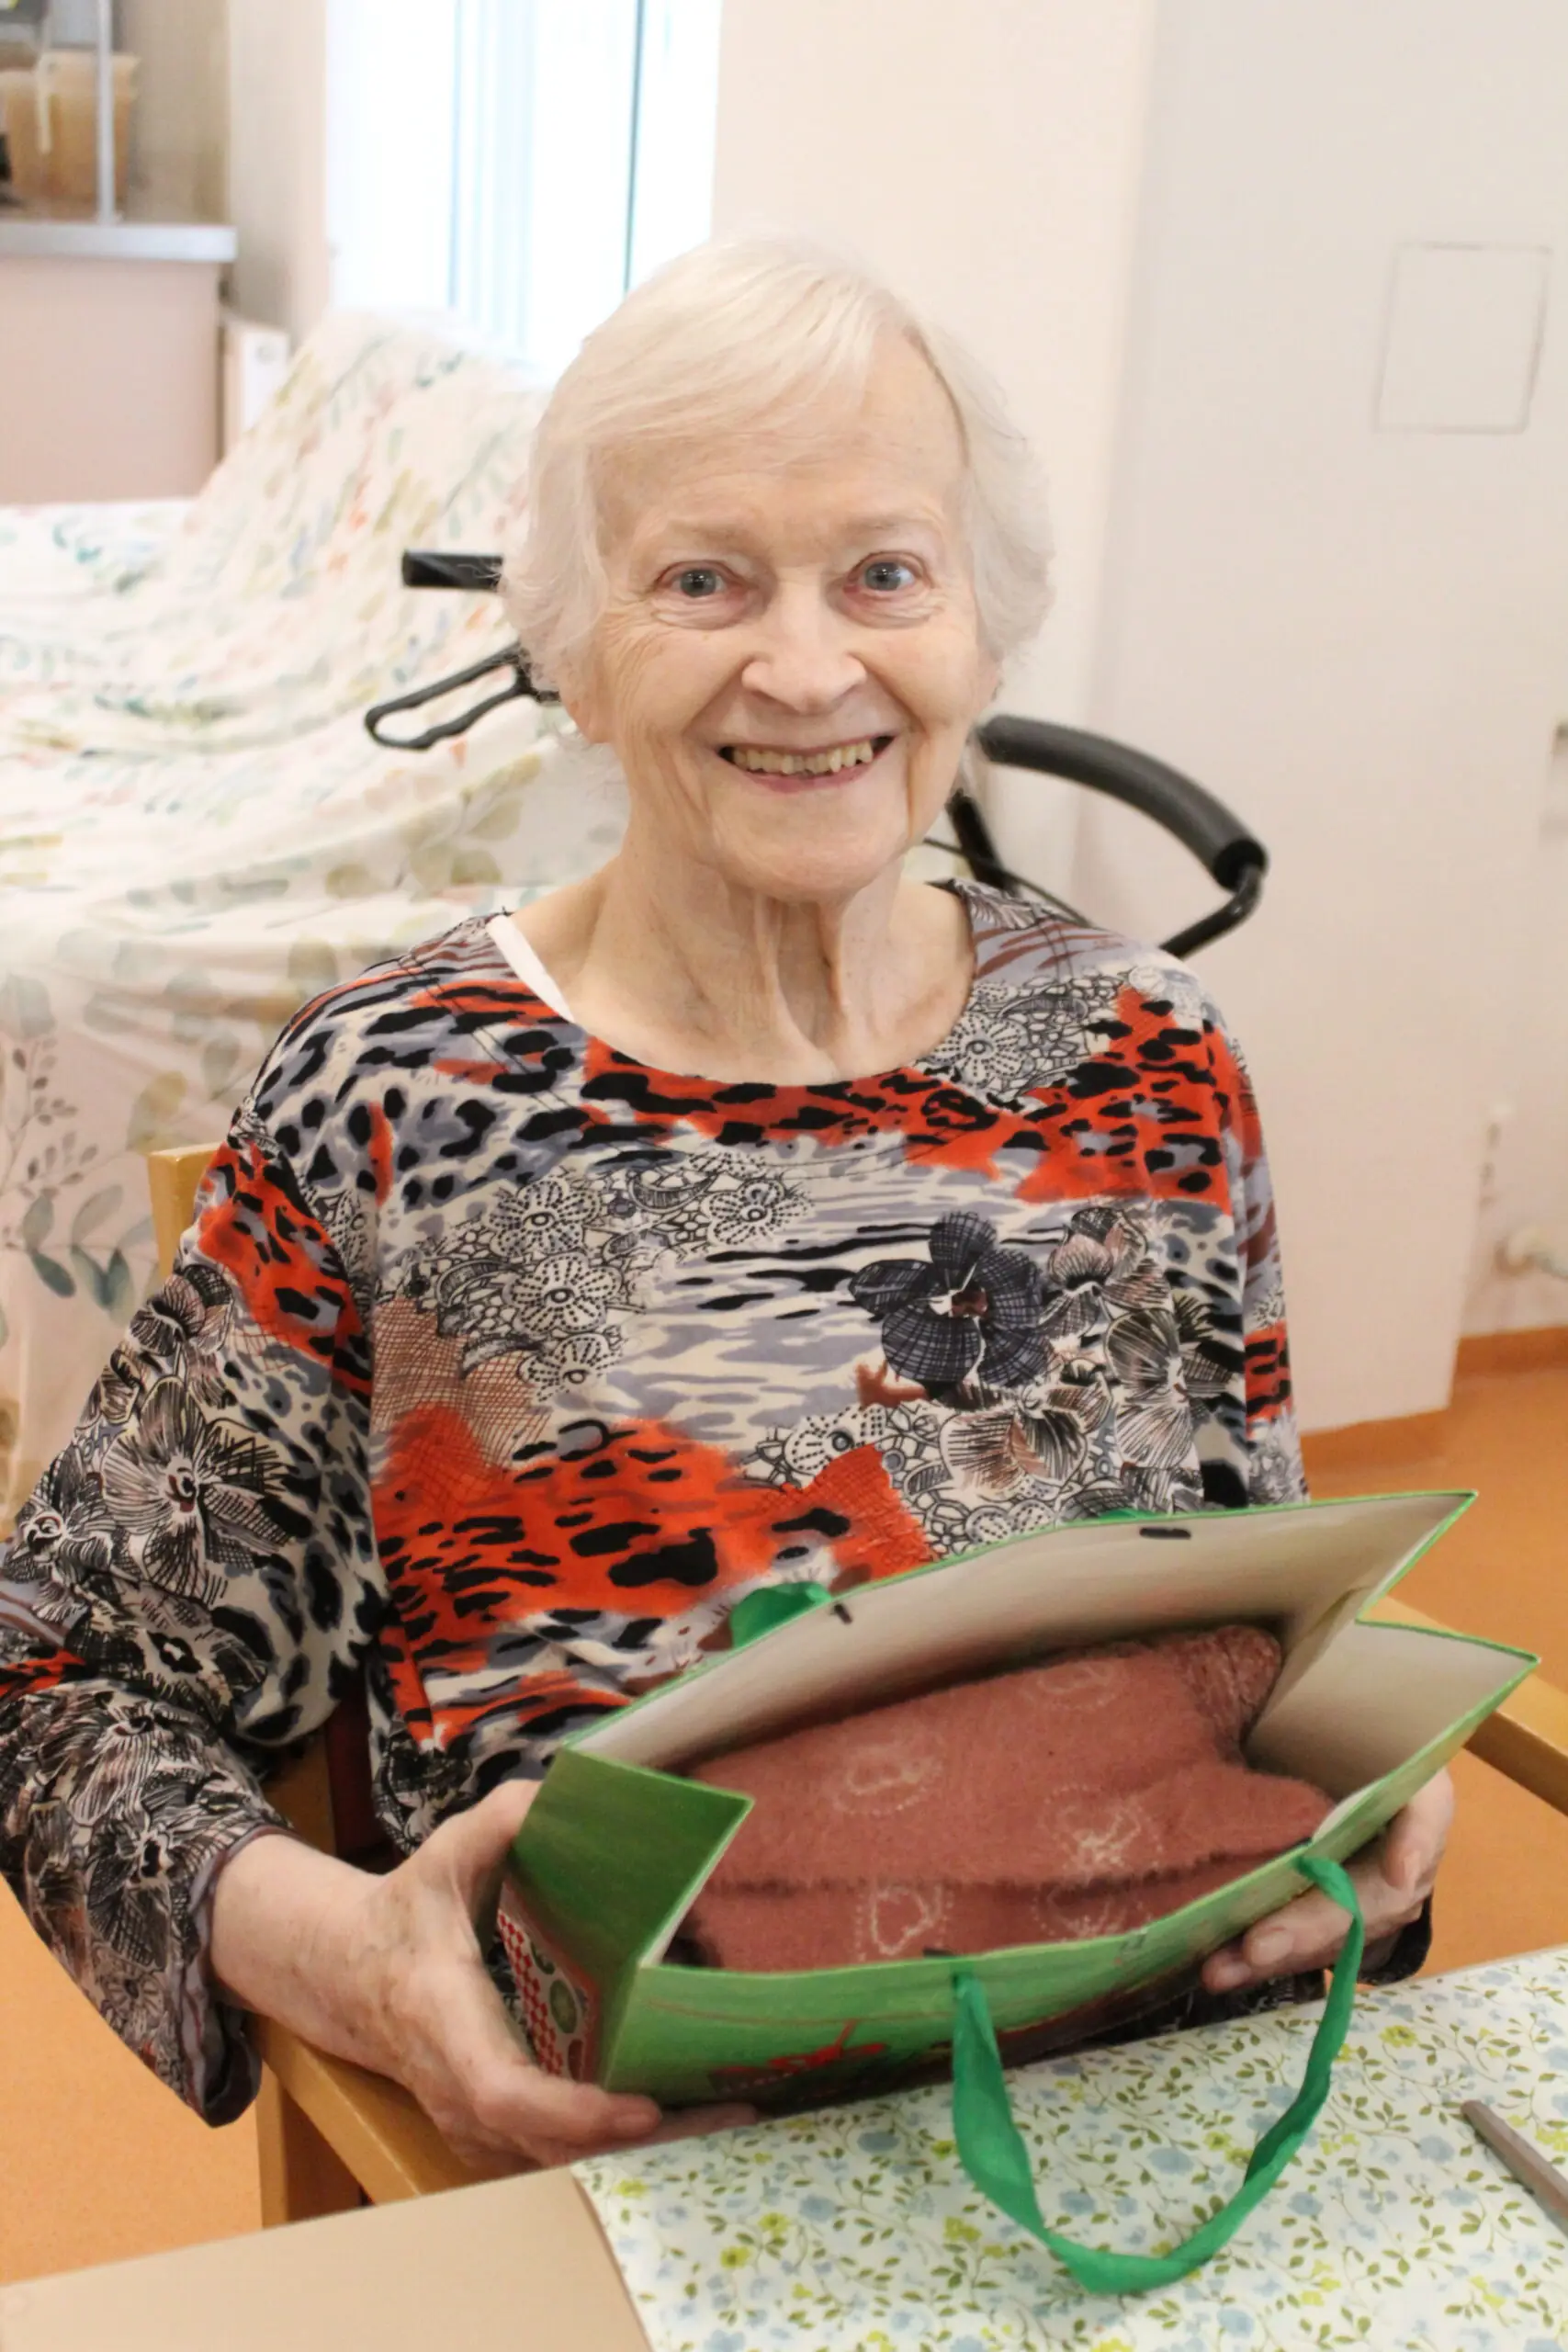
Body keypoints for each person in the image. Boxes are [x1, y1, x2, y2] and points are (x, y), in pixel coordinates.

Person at [0, 240, 1449, 2175]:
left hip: (1173, 2110)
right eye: (703, 581)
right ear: (574, 651)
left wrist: (1359, 1788)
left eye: (884, 574)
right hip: (656, 2156)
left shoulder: (1148, 1053)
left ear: (983, 627)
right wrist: (358, 1961)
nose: (807, 668)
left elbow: (1252, 1605)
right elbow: (58, 1685)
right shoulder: (401, 1100)